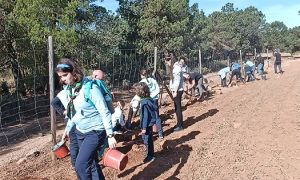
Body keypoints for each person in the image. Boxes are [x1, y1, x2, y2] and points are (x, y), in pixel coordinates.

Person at [56, 58, 117, 180]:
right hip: (80, 131)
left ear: (73, 72)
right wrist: (67, 129)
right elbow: (74, 113)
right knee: (92, 163)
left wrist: (110, 135)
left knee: (80, 165)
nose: (63, 79)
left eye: (65, 75)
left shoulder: (90, 88)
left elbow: (104, 111)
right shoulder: (69, 89)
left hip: (95, 131)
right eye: (60, 76)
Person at [136, 82, 158, 163]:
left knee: (146, 140)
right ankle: (151, 154)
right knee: (150, 139)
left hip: (146, 124)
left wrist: (144, 127)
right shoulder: (149, 99)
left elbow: (145, 116)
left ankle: (149, 156)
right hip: (150, 123)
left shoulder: (144, 103)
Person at [139, 69, 163, 138]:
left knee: (145, 117)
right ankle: (160, 133)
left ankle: (146, 134)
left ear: (141, 75)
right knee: (156, 116)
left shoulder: (141, 83)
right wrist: (153, 96)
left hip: (146, 101)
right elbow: (158, 89)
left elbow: (140, 93)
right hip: (154, 100)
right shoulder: (152, 80)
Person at [167, 60, 184, 132]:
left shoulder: (176, 70)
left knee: (178, 108)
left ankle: (180, 125)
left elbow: (177, 81)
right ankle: (179, 124)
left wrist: (175, 91)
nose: (166, 63)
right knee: (177, 107)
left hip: (177, 90)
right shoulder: (175, 68)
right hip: (177, 90)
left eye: (168, 61)